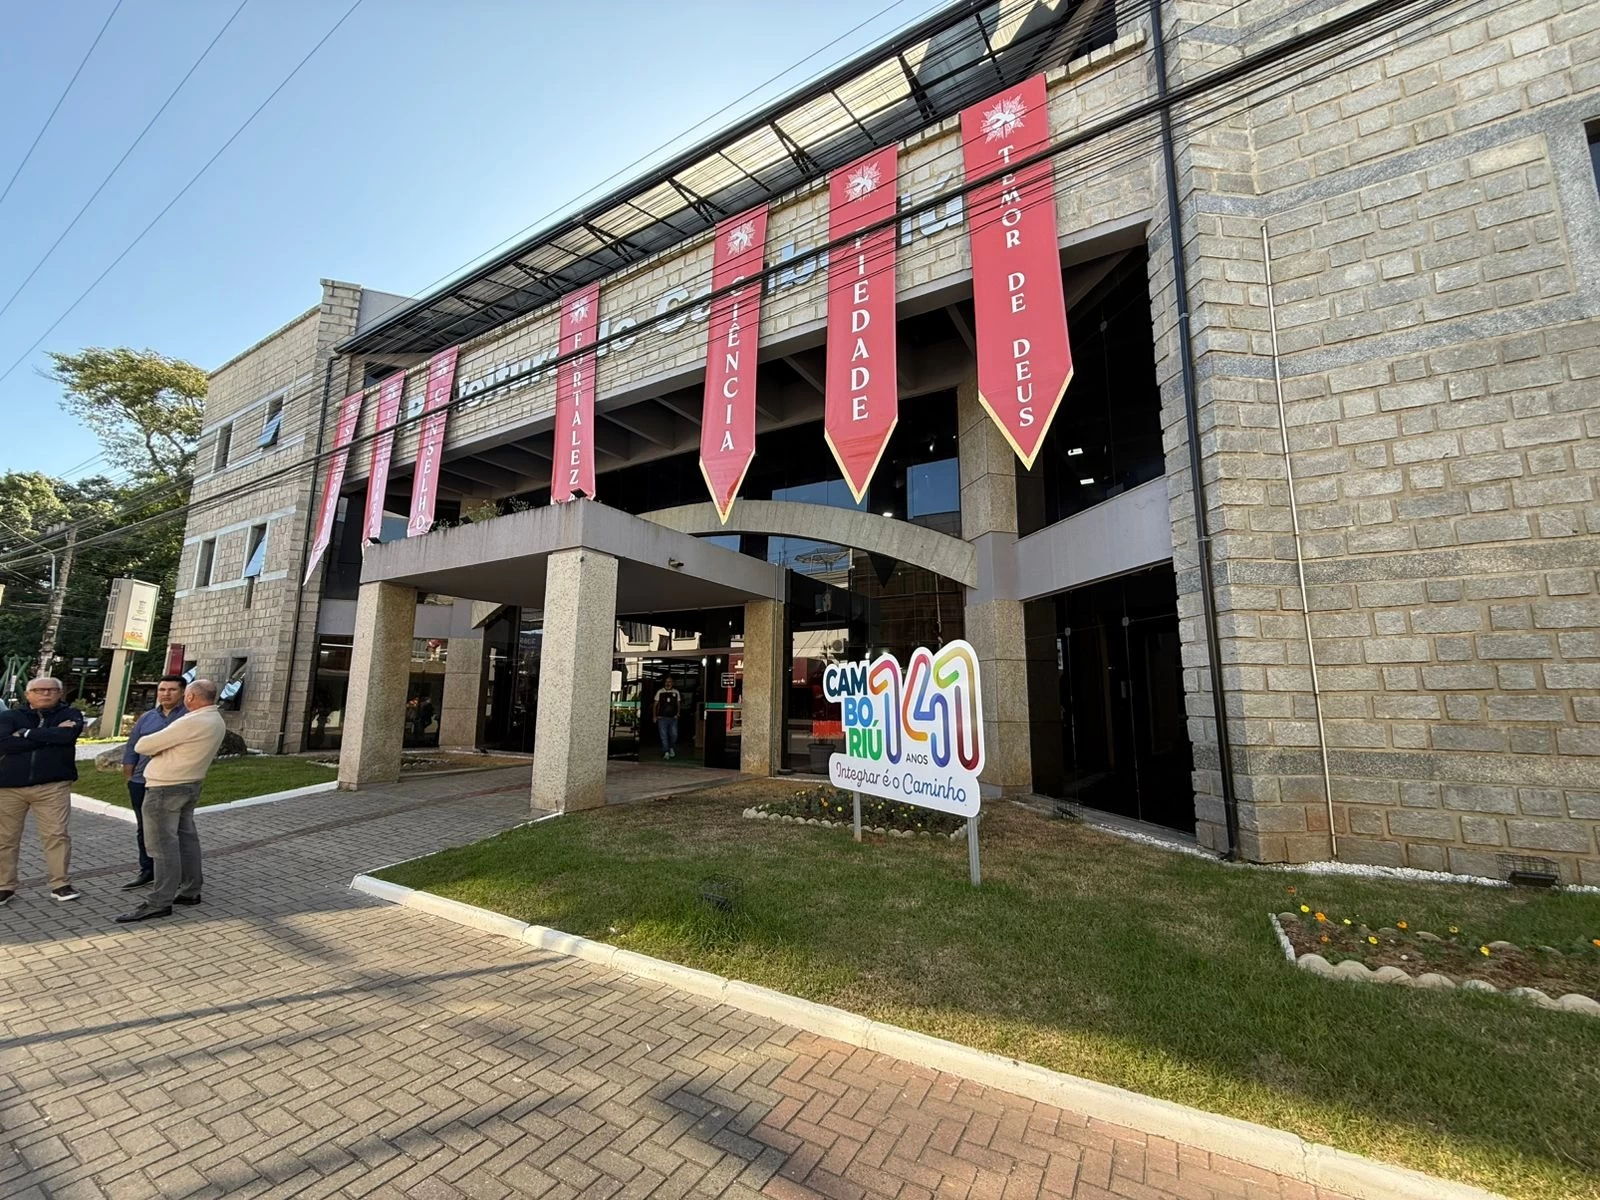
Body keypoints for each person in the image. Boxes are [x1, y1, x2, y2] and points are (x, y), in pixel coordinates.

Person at [115, 679, 227, 923]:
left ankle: (159, 901)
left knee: (162, 846)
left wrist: (159, 748)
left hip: (166, 787)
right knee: (186, 839)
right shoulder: (215, 719)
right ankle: (190, 889)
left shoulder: (192, 720)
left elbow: (144, 744)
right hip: (190, 783)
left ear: (190, 697)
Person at [0, 677, 85, 905]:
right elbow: (3, 743)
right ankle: (4, 886)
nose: (45, 694)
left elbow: (67, 736)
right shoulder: (9, 716)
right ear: (28, 695)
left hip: (52, 786)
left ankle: (60, 884)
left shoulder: (71, 715)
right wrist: (49, 737)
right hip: (9, 788)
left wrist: (25, 733)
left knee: (56, 835)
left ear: (60, 693)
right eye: (38, 690)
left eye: (51, 690)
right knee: (5, 839)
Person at [118, 675, 188, 890]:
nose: (166, 693)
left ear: (183, 692)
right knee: (144, 828)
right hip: (141, 780)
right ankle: (147, 869)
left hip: (171, 780)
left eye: (172, 690)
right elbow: (132, 746)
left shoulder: (188, 717)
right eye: (162, 689)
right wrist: (129, 775)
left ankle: (175, 874)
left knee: (172, 829)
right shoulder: (147, 718)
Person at [654, 675, 681, 760]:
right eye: (666, 682)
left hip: (673, 718)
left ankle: (671, 747)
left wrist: (678, 713)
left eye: (669, 682)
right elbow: (655, 705)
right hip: (662, 717)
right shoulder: (660, 692)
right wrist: (654, 716)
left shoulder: (676, 692)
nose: (668, 683)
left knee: (674, 734)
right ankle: (666, 751)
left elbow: (678, 704)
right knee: (663, 735)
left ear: (672, 683)